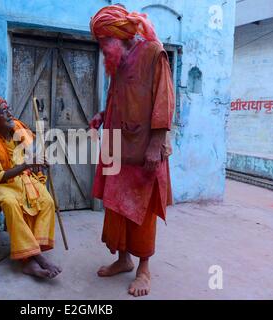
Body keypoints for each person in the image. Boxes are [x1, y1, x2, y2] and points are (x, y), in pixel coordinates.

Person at [89, 4, 175, 297]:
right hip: (116, 148)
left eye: (103, 43)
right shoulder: (119, 63)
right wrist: (102, 115)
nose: (102, 51)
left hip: (144, 150)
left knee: (141, 210)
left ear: (117, 37)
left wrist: (156, 144)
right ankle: (123, 260)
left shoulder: (153, 53)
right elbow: (119, 96)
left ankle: (144, 269)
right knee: (116, 207)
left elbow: (164, 100)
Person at [0, 96, 62, 279]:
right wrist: (26, 165)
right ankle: (38, 259)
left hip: (24, 179)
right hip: (3, 185)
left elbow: (33, 153)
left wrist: (39, 160)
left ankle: (30, 258)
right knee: (11, 204)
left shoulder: (18, 131)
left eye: (8, 109)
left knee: (46, 201)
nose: (10, 114)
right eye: (3, 111)